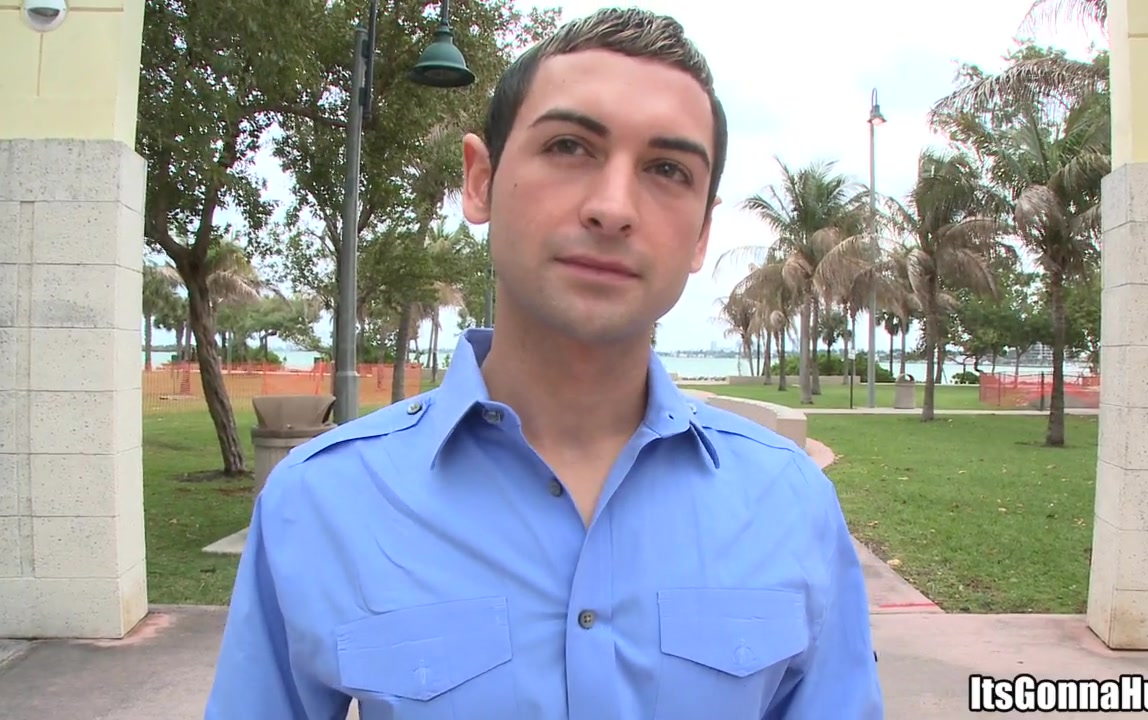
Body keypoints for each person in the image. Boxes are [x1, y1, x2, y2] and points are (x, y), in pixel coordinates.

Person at [205, 7, 883, 719]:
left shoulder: (791, 506)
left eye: (667, 169)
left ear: (700, 234)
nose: (613, 208)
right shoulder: (321, 503)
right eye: (568, 146)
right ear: (479, 181)